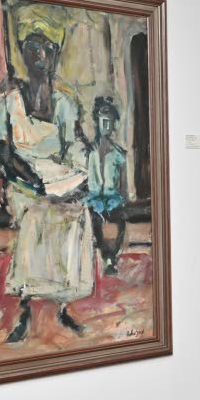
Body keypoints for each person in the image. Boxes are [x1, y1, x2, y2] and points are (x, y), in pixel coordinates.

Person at [0, 16, 96, 343]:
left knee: (76, 211)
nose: (39, 56)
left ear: (55, 54)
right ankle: (25, 307)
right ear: (23, 53)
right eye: (32, 48)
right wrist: (35, 184)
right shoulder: (8, 100)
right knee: (38, 213)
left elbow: (74, 147)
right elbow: (4, 156)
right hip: (24, 182)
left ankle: (63, 303)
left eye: (46, 49)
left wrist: (78, 178)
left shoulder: (65, 102)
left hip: (55, 177)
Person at [84, 96, 129, 275]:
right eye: (103, 122)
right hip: (94, 197)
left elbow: (123, 185)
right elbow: (85, 180)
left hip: (112, 197)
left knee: (119, 219)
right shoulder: (90, 152)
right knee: (95, 219)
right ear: (96, 122)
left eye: (110, 122)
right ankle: (105, 255)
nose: (106, 126)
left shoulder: (119, 154)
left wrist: (120, 199)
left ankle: (112, 257)